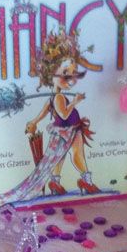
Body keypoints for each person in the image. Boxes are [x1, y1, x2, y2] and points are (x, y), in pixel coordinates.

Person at [25, 28, 100, 195]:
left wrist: (34, 122)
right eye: (65, 72)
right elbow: (64, 114)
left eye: (72, 73)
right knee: (77, 154)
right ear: (50, 73)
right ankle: (86, 181)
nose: (71, 77)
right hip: (69, 128)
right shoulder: (58, 97)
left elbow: (45, 112)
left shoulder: (54, 97)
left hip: (65, 130)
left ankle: (55, 183)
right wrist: (75, 101)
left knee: (59, 156)